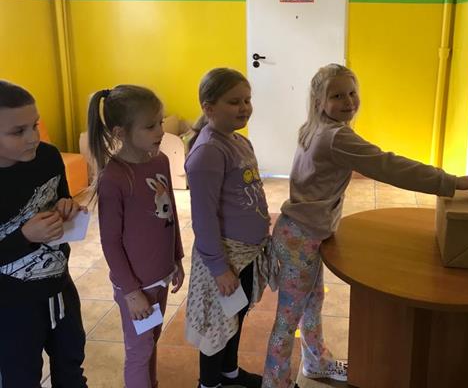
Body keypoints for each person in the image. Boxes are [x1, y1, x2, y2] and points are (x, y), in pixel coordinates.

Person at [262, 64, 468, 388]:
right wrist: (449, 182)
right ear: (319, 101)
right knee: (287, 318)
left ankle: (316, 362)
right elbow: (388, 165)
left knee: (312, 301)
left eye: (352, 93)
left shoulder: (314, 127)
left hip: (299, 231)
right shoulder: (336, 137)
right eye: (337, 96)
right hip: (302, 237)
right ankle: (275, 383)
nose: (348, 101)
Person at [88, 85, 185, 388]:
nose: (161, 131)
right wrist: (131, 293)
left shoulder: (161, 161)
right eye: (150, 126)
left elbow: (170, 214)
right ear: (121, 132)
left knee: (151, 341)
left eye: (161, 122)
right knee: (139, 351)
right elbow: (110, 242)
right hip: (136, 286)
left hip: (161, 276)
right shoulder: (114, 177)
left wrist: (177, 258)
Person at [185, 68, 273, 388]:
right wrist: (219, 268)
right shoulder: (208, 152)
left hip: (246, 254)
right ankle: (209, 383)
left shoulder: (239, 141)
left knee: (236, 315)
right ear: (209, 107)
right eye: (234, 102)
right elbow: (204, 218)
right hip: (225, 259)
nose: (244, 107)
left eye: (247, 100)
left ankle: (229, 374)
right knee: (217, 325)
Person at [0, 80, 87, 387]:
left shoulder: (48, 156)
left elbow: (60, 197)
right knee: (21, 377)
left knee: (71, 364)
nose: (33, 138)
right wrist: (25, 235)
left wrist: (66, 206)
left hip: (59, 285)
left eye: (35, 125)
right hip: (11, 306)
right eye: (18, 131)